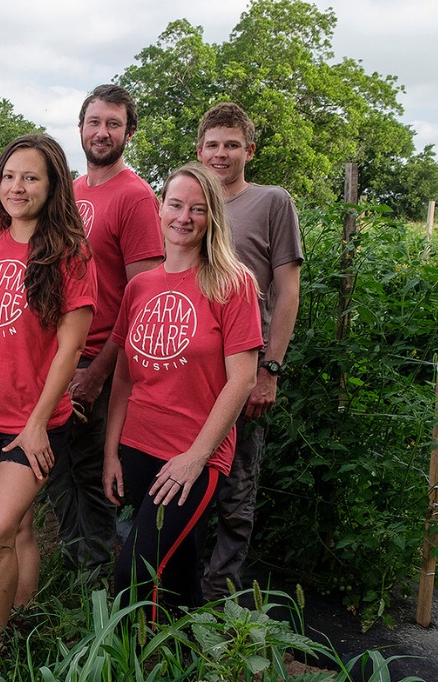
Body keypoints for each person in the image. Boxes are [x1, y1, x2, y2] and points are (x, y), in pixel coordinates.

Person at [0, 134, 97, 680]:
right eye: (11, 175)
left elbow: (71, 346)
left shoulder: (70, 257)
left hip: (33, 424)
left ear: (53, 185)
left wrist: (38, 423)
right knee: (17, 530)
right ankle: (26, 617)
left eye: (31, 177)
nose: (18, 186)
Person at [103, 163, 262, 618]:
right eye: (175, 205)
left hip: (192, 456)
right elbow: (124, 376)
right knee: (175, 572)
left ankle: (128, 662)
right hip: (136, 445)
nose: (184, 217)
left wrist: (196, 457)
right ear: (160, 210)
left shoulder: (233, 284)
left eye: (198, 208)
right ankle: (192, 657)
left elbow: (243, 379)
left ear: (213, 217)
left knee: (132, 574)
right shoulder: (140, 287)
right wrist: (111, 452)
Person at [47, 84, 163, 577]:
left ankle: (93, 575)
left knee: (92, 473)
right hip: (62, 357)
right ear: (80, 129)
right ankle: (74, 560)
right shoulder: (71, 191)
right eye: (94, 122)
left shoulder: (136, 198)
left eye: (113, 124)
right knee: (56, 466)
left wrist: (98, 374)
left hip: (101, 360)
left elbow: (144, 299)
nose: (102, 132)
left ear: (128, 134)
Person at [196, 102, 303, 600]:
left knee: (236, 489)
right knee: (187, 475)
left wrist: (270, 369)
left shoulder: (271, 202)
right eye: (213, 144)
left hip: (243, 369)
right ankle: (178, 589)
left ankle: (219, 600)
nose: (221, 154)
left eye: (232, 144)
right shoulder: (188, 204)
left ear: (249, 151)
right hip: (191, 369)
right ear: (200, 150)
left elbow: (287, 290)